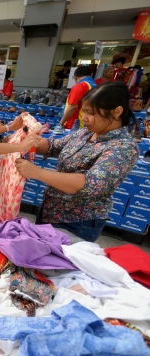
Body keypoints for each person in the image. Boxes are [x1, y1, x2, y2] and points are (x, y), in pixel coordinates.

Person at [15, 82, 139, 242]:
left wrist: (37, 173)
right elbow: (53, 146)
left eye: (91, 113)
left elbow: (89, 183)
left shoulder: (123, 147)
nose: (84, 118)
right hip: (50, 211)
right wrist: (23, 141)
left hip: (77, 221)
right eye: (84, 111)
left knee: (59, 265)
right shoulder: (86, 133)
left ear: (117, 111)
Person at [55, 66, 96, 133]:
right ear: (91, 75)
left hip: (76, 124)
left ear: (75, 77)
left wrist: (61, 123)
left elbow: (72, 106)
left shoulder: (80, 86)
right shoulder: (95, 85)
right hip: (88, 122)